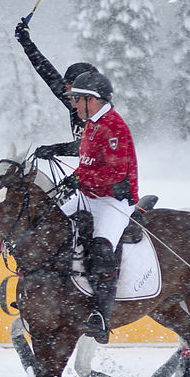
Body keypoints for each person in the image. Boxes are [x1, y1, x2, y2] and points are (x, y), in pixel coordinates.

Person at [56, 71, 138, 344]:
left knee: (101, 250)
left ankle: (102, 318)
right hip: (88, 195)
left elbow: (114, 172)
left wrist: (81, 178)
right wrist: (74, 177)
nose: (74, 104)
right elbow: (89, 163)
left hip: (112, 201)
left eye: (77, 99)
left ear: (93, 99)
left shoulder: (114, 126)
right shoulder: (91, 123)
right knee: (50, 224)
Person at [13, 17, 99, 159]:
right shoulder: (76, 104)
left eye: (71, 89)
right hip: (88, 172)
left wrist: (55, 149)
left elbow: (90, 147)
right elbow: (48, 73)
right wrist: (26, 43)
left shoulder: (101, 114)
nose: (67, 94)